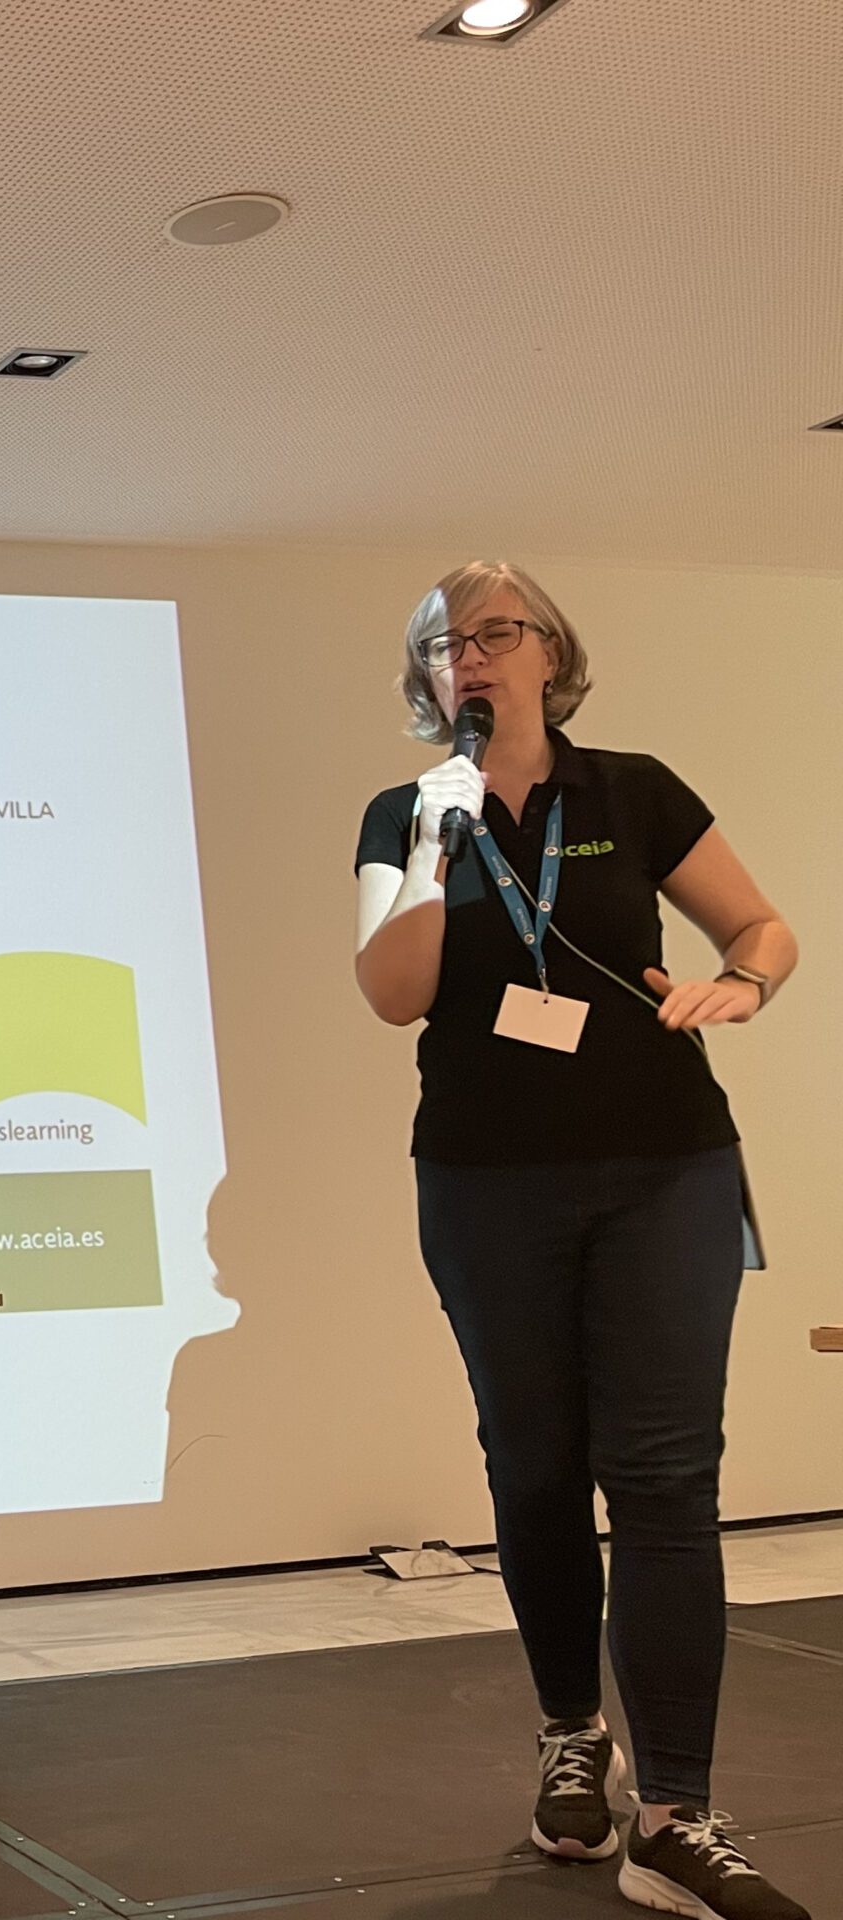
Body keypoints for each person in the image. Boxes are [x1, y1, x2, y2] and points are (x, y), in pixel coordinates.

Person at [353, 562, 804, 1920]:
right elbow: (393, 993)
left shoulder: (634, 791)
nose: (472, 658)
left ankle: (675, 1817)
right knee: (536, 1465)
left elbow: (763, 927)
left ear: (549, 653)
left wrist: (742, 985)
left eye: (496, 633)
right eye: (446, 645)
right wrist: (437, 844)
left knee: (663, 1473)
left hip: (667, 1167)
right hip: (488, 1184)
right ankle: (571, 1737)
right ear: (429, 679)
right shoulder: (405, 813)